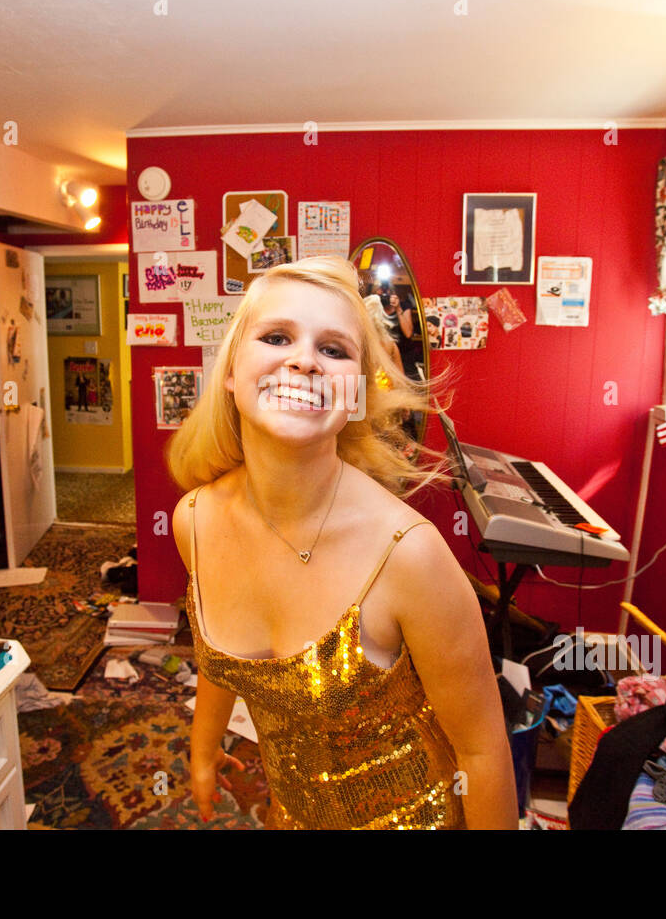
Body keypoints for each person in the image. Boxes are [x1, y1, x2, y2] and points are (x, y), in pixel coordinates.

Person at [169, 256, 517, 829]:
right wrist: (203, 746)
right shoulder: (196, 520)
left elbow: (481, 753)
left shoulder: (408, 554)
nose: (304, 360)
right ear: (231, 371)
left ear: (354, 394)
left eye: (334, 350)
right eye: (277, 336)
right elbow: (222, 652)